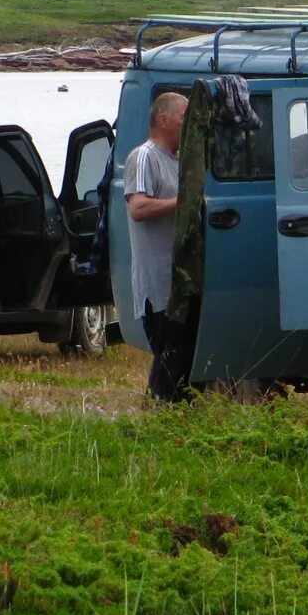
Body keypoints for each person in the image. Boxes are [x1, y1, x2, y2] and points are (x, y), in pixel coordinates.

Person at [124, 92, 192, 401]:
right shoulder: (144, 156)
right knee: (169, 355)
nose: (188, 123)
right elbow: (138, 208)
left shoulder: (179, 162)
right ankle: (155, 415)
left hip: (180, 281)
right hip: (157, 283)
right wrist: (183, 203)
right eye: (183, 117)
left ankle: (171, 417)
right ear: (163, 120)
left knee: (182, 358)